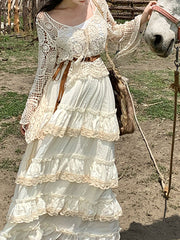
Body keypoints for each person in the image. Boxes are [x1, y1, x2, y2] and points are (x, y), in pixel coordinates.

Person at [0, 0, 156, 239]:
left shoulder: (98, 3)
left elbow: (114, 34)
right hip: (67, 97)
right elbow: (44, 69)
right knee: (52, 159)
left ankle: (89, 233)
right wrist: (30, 110)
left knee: (92, 166)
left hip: (98, 98)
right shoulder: (46, 20)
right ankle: (49, 229)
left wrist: (142, 18)